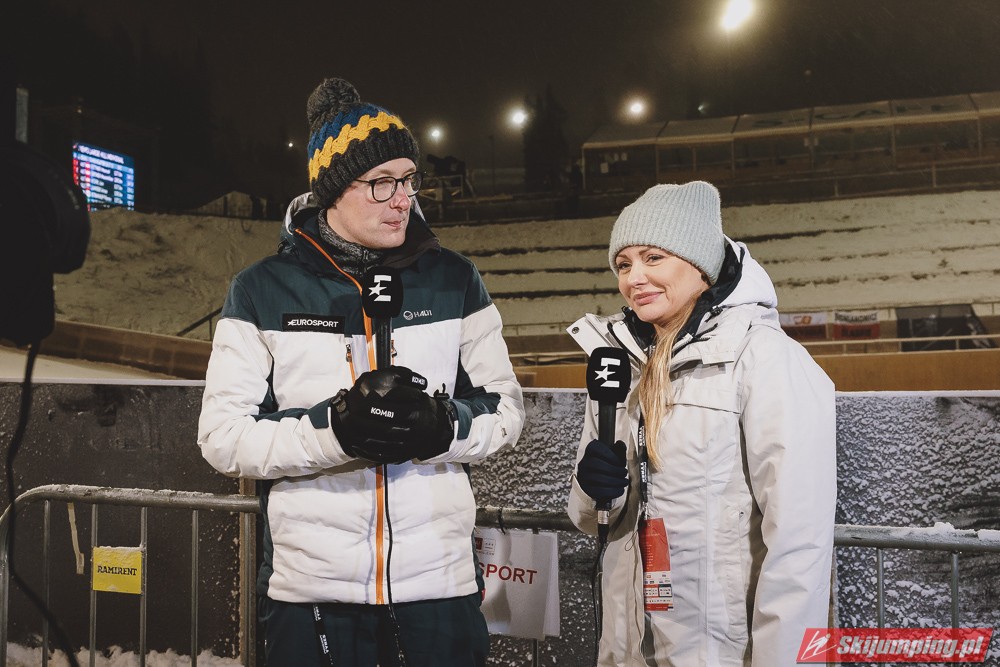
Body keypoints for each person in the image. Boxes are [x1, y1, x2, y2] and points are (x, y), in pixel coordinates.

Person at [198, 77, 524, 666]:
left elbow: (505, 411)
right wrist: (337, 429)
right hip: (311, 590)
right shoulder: (261, 290)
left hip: (439, 586)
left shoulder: (455, 279)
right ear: (330, 191)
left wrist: (441, 425)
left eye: (408, 179)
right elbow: (223, 437)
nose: (402, 199)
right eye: (380, 183)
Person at [566, 181, 836, 666]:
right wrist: (593, 491)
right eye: (623, 265)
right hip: (627, 649)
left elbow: (799, 545)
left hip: (722, 653)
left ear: (701, 265)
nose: (634, 278)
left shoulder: (766, 359)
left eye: (653, 258)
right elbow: (590, 521)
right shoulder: (617, 365)